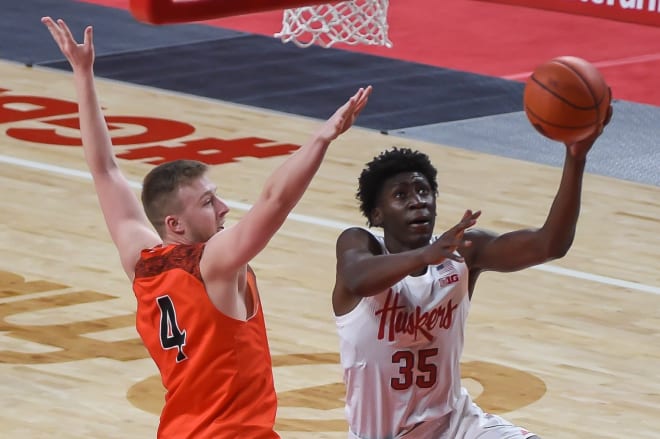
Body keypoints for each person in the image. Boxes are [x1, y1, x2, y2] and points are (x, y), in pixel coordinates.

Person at [41, 16, 371, 439]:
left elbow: (105, 172)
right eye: (208, 201)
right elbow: (275, 201)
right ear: (175, 223)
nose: (223, 207)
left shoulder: (142, 263)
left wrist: (83, 74)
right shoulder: (214, 264)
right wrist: (321, 139)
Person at [332, 107, 612, 438]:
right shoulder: (360, 244)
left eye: (424, 191)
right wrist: (425, 254)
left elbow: (549, 244)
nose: (417, 201)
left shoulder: (461, 253)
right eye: (401, 195)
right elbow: (356, 278)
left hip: (456, 426)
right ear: (377, 215)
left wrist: (575, 157)